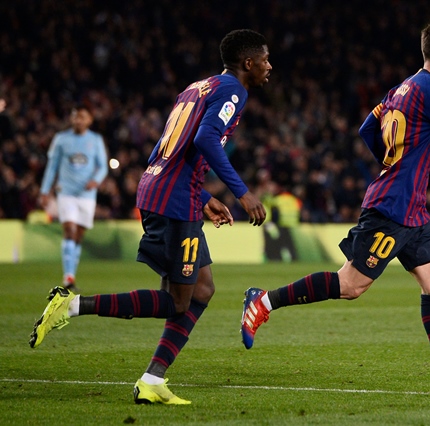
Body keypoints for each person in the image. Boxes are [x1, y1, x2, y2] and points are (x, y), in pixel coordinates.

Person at [241, 20, 430, 394]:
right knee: (350, 285)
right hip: (392, 207)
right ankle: (263, 301)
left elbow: (367, 128)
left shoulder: (402, 88)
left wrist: (392, 163)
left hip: (412, 211)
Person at [29, 29, 270, 405]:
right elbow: (206, 139)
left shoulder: (196, 88)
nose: (270, 67)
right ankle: (72, 305)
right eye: (266, 60)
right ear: (248, 62)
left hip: (168, 191)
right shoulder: (234, 91)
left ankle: (153, 379)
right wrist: (242, 192)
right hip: (173, 201)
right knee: (177, 301)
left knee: (201, 290)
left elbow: (166, 148)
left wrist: (204, 195)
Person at [39, 105, 108, 292]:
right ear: (72, 119)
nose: (79, 120)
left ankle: (71, 272)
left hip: (87, 196)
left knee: (78, 236)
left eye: (82, 117)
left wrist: (96, 180)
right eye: (76, 117)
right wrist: (45, 191)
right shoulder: (61, 139)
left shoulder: (95, 140)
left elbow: (103, 166)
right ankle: (68, 277)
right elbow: (52, 166)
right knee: (69, 230)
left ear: (89, 120)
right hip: (66, 192)